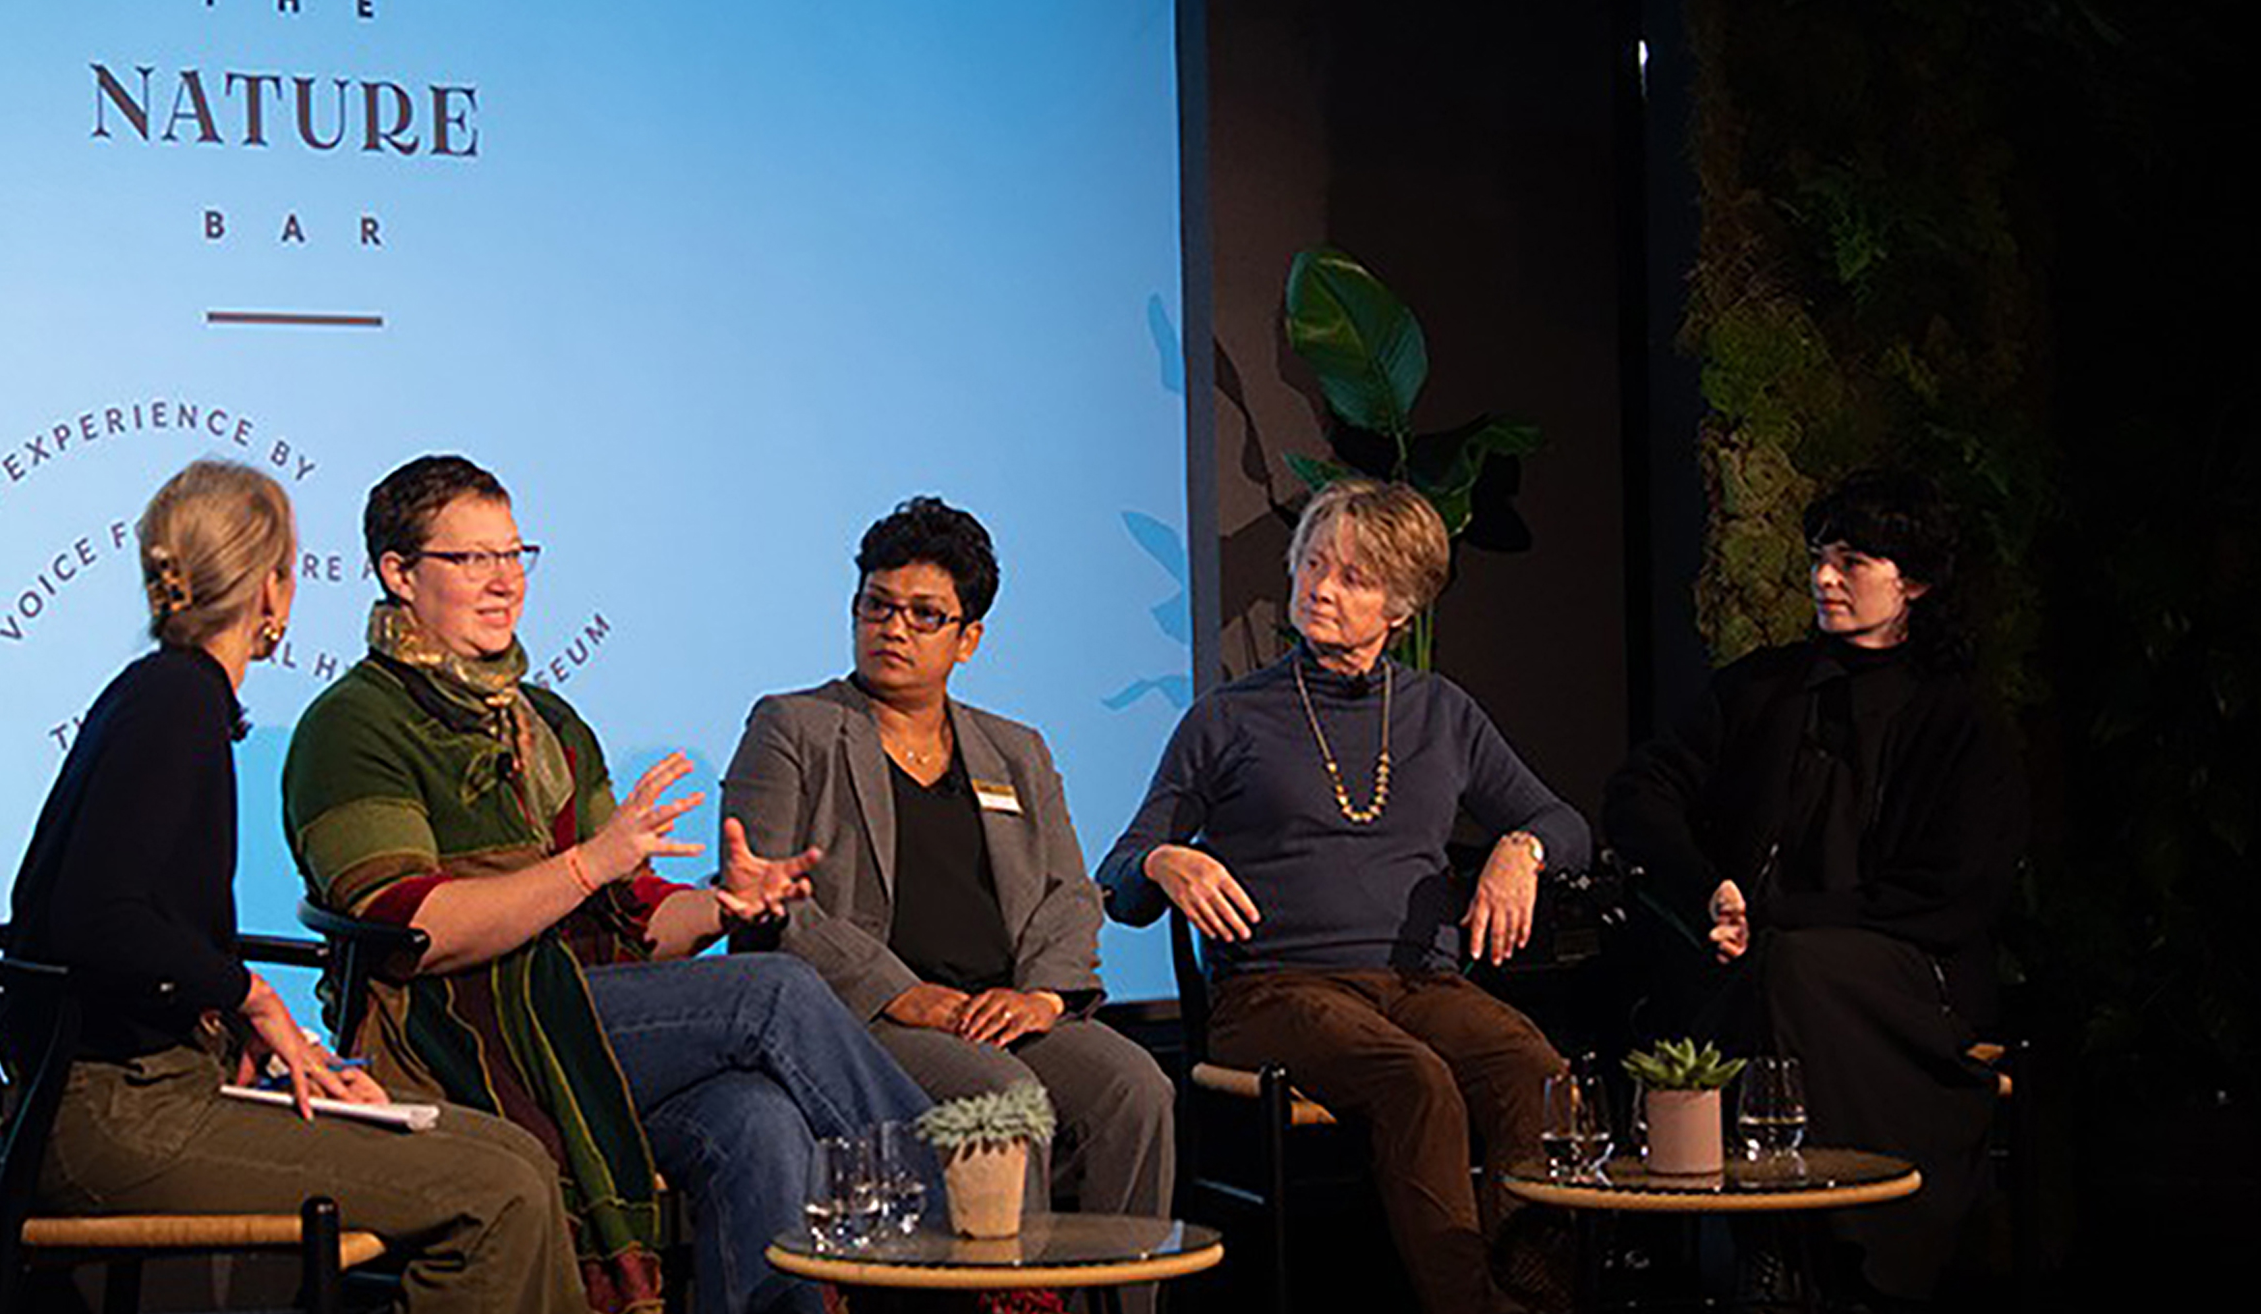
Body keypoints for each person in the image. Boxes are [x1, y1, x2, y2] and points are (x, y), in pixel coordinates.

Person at [283, 455, 931, 1314]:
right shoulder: (352, 724)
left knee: (754, 1119)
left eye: (515, 555)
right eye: (471, 559)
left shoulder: (546, 719)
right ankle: (964, 1226)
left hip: (582, 1017)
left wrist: (723, 903)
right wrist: (589, 861)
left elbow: (636, 919)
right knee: (772, 993)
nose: (504, 581)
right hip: (451, 1036)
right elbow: (418, 927)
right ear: (398, 573)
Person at [5, 459, 588, 1314]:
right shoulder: (174, 701)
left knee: (517, 1159)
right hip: (118, 1120)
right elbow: (102, 920)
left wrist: (255, 1031)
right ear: (273, 587)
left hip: (164, 1086)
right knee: (498, 1188)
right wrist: (252, 999)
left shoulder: (164, 694)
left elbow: (134, 922)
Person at [1097, 478, 1588, 1314]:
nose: (1321, 588)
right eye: (1314, 565)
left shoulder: (1442, 711)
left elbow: (1564, 820)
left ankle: (1527, 1290)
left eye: (1353, 577)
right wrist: (1167, 863)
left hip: (1421, 984)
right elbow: (1122, 875)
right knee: (1416, 1082)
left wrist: (1522, 846)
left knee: (1536, 1073)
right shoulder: (1229, 717)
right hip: (1275, 990)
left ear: (1400, 605)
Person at [721, 497, 1175, 1307]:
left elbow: (1070, 892)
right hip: (865, 1018)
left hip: (999, 1006)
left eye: (924, 615)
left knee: (1135, 1087)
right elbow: (768, 898)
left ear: (968, 638)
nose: (893, 628)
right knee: (1004, 1098)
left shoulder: (1015, 747)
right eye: (877, 606)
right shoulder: (794, 725)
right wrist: (902, 991)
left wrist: (1040, 994)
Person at [1604, 469, 2023, 1305]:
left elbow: (1950, 893)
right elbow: (1640, 790)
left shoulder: (1960, 717)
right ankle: (1759, 1243)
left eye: (1852, 560)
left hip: (1904, 970)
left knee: (1792, 968)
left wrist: (1772, 918)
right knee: (1719, 974)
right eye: (1818, 558)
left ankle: (1829, 1250)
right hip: (1750, 954)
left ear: (1914, 581)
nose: (1824, 578)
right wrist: (1711, 889)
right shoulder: (1765, 686)